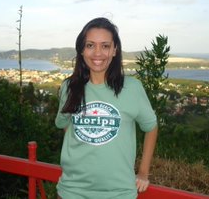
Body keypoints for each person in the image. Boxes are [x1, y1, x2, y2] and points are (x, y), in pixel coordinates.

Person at [55, 17, 158, 199]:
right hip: (72, 190)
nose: (97, 53)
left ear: (114, 50)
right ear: (81, 49)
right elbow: (66, 127)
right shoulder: (69, 88)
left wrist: (143, 172)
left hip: (119, 193)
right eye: (90, 45)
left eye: (105, 46)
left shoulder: (132, 88)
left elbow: (151, 127)